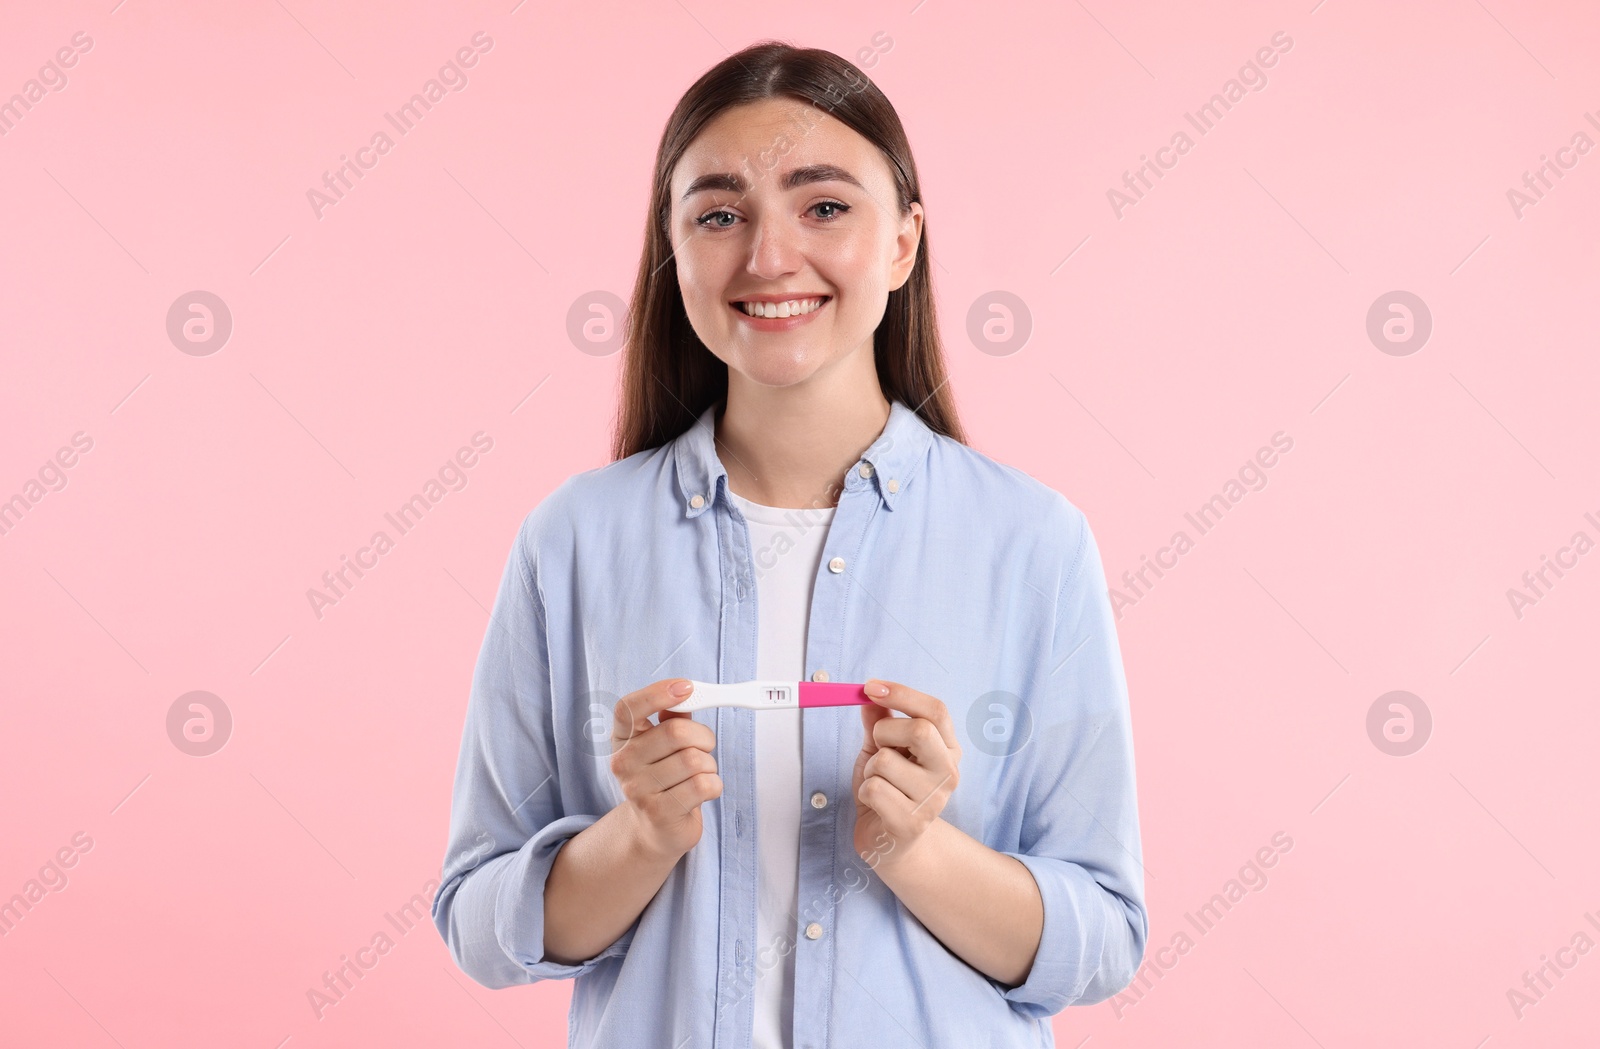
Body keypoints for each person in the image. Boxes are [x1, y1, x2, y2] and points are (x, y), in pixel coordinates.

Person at [432, 39, 1146, 1049]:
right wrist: (637, 838)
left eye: (823, 206)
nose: (768, 258)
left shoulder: (1032, 542)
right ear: (673, 251)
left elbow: (1105, 937)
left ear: (902, 243)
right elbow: (478, 924)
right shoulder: (574, 540)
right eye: (719, 215)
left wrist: (915, 848)